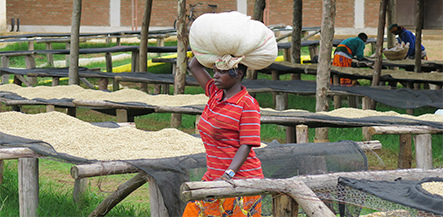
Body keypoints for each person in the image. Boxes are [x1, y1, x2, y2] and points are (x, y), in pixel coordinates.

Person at [182, 57, 264, 216]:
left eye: (222, 72)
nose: (216, 76)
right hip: (214, 177)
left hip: (240, 182)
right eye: (215, 71)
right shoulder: (215, 94)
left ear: (238, 74)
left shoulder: (247, 104)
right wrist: (215, 48)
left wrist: (228, 175)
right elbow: (194, 65)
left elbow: (246, 144)